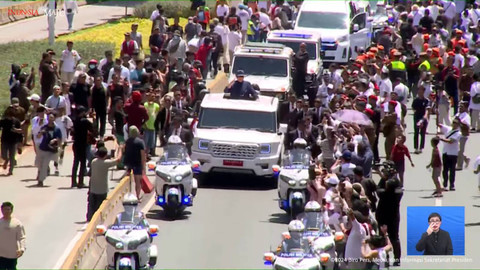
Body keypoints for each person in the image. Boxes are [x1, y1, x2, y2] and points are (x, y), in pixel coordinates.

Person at [87, 146, 123, 221]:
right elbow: (118, 160)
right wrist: (120, 149)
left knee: (91, 207)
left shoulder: (93, 162)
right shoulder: (106, 163)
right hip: (102, 190)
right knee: (100, 209)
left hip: (93, 189)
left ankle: (90, 220)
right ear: (105, 155)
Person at [36, 113, 62, 187]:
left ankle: (40, 180)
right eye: (49, 118)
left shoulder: (57, 129)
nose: (50, 119)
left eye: (52, 117)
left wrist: (55, 141)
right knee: (40, 165)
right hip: (43, 148)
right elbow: (38, 136)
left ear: (54, 119)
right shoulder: (44, 127)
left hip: (50, 150)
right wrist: (41, 133)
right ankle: (41, 175)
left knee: (44, 165)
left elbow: (59, 139)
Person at [71, 106, 94, 188]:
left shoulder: (75, 120)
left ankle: (73, 182)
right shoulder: (84, 121)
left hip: (76, 144)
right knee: (82, 163)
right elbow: (92, 128)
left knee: (76, 163)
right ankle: (80, 182)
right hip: (83, 144)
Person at [0, 202, 26, 270]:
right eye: (5, 209)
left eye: (8, 209)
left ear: (11, 210)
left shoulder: (17, 224)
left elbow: (22, 237)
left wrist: (22, 249)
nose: (6, 211)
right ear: (1, 210)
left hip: (12, 255)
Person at [438, 119, 461, 191]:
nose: (454, 124)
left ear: (458, 125)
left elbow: (451, 141)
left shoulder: (458, 133)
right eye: (453, 122)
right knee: (445, 169)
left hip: (453, 153)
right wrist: (437, 115)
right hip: (445, 152)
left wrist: (441, 139)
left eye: (456, 123)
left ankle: (452, 185)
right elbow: (439, 125)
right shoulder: (448, 129)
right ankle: (445, 184)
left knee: (452, 170)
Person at [124, 126, 146, 201]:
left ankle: (129, 195)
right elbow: (143, 155)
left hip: (129, 163)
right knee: (138, 182)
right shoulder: (140, 142)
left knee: (128, 181)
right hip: (137, 163)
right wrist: (143, 167)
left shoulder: (127, 141)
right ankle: (137, 196)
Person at [0, 108, 22, 176]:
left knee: (12, 156)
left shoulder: (16, 121)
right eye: (8, 116)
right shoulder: (3, 121)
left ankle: (11, 170)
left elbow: (20, 132)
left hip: (13, 141)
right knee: (3, 155)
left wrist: (16, 130)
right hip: (4, 140)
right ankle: (6, 160)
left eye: (11, 116)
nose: (9, 118)